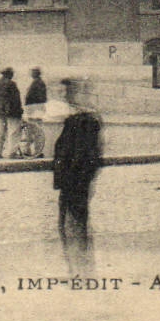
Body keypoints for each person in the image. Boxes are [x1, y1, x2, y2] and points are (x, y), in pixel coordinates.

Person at [52, 110, 103, 275]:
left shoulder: (72, 131)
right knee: (78, 221)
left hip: (70, 183)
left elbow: (61, 157)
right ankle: (80, 262)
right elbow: (90, 160)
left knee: (67, 221)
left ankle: (75, 264)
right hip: (78, 183)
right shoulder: (86, 133)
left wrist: (61, 181)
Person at [0, 67, 24, 159]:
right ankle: (12, 153)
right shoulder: (12, 84)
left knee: (0, 132)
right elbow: (16, 99)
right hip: (11, 111)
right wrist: (19, 110)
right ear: (9, 74)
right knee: (13, 131)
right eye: (12, 74)